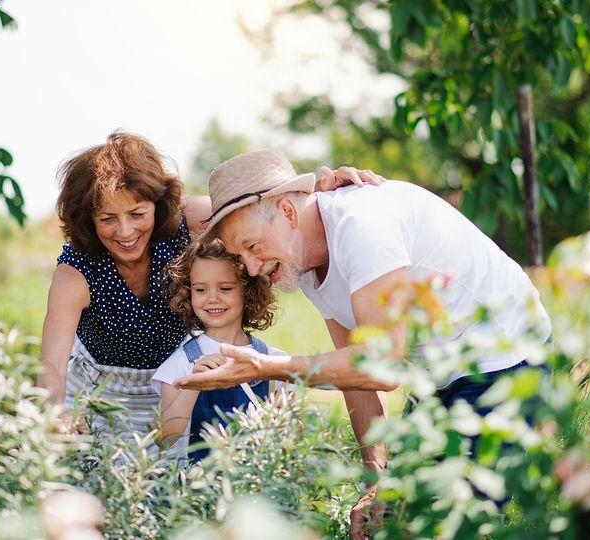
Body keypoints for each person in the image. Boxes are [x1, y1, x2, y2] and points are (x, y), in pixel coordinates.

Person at [173, 149, 552, 538]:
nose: (252, 269)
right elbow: (356, 374)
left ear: (288, 212)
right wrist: (375, 482)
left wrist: (267, 368)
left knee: (453, 523)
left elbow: (381, 365)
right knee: (396, 519)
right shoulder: (303, 262)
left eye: (253, 247)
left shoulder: (361, 227)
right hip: (441, 372)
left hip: (504, 358)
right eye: (241, 256)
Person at [37, 131, 383, 435]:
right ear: (89, 219)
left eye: (138, 214)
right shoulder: (76, 272)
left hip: (173, 382)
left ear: (157, 205)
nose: (125, 231)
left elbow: (258, 211)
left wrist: (319, 197)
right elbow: (51, 362)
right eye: (108, 219)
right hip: (101, 390)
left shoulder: (189, 220)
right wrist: (56, 411)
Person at [150, 240, 288, 461]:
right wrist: (193, 384)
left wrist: (285, 420)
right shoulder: (182, 363)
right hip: (201, 489)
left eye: (225, 288)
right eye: (200, 289)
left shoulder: (271, 360)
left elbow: (290, 436)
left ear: (248, 290)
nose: (212, 298)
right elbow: (163, 437)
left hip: (258, 488)